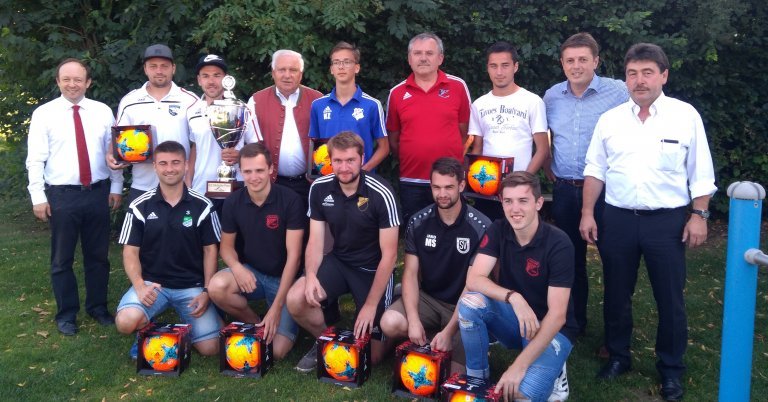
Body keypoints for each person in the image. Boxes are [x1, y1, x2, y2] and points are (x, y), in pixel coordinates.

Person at [580, 43, 717, 401]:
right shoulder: (610, 120)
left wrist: (699, 215)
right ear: (625, 78)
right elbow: (595, 170)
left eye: (647, 72)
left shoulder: (685, 116)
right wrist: (587, 212)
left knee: (669, 297)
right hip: (618, 219)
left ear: (663, 75)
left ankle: (671, 369)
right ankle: (618, 356)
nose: (639, 81)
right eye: (632, 73)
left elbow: (701, 173)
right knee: (615, 293)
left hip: (666, 222)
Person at [458, 172, 577, 402]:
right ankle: (477, 383)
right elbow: (474, 279)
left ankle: (555, 366)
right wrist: (514, 298)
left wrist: (518, 367)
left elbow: (558, 315)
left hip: (551, 328)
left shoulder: (559, 243)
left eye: (523, 201)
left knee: (520, 395)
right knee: (470, 303)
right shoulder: (498, 229)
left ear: (539, 203)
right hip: (517, 319)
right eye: (508, 201)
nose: (515, 209)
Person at [286, 131, 400, 372]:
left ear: (362, 159)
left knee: (373, 356)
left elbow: (390, 256)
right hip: (339, 262)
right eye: (337, 161)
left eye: (350, 160)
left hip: (372, 269)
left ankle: (394, 301)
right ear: (330, 161)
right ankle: (327, 340)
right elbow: (316, 241)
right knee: (296, 299)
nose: (344, 167)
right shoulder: (319, 188)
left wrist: (370, 305)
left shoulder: (382, 193)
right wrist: (311, 276)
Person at [26, 58, 124, 335]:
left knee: (98, 257)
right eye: (66, 79)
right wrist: (38, 197)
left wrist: (116, 187)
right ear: (58, 81)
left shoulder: (103, 112)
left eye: (78, 79)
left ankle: (98, 308)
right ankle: (67, 314)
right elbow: (35, 159)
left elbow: (114, 152)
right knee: (62, 259)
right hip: (62, 196)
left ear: (88, 82)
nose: (72, 84)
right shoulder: (44, 114)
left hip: (97, 193)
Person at [543, 32, 628, 336]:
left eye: (582, 59)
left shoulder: (619, 92)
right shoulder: (552, 96)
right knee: (569, 259)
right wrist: (546, 165)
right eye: (570, 60)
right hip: (565, 190)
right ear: (562, 64)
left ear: (596, 61)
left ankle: (615, 335)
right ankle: (573, 324)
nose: (576, 66)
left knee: (614, 262)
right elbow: (543, 136)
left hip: (607, 191)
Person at [380, 157, 491, 374]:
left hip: (464, 304)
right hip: (429, 299)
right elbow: (410, 274)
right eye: (437, 187)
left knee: (454, 376)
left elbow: (473, 285)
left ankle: (448, 337)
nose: (442, 194)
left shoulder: (481, 226)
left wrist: (450, 332)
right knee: (389, 322)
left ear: (461, 185)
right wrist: (412, 321)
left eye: (449, 187)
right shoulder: (418, 221)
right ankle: (428, 334)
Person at [115, 141, 222, 357]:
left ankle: (180, 331)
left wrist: (207, 292)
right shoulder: (139, 206)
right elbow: (130, 252)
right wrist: (139, 286)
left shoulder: (203, 205)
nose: (170, 169)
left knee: (211, 349)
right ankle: (147, 332)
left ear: (185, 165)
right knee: (126, 322)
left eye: (175, 163)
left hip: (192, 286)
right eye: (163, 163)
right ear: (154, 166)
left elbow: (211, 251)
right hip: (153, 285)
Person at [207, 143, 304, 359]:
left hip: (285, 280)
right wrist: (237, 268)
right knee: (217, 287)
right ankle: (256, 322)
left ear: (271, 169)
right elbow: (226, 247)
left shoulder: (290, 200)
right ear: (240, 172)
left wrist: (277, 308)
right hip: (254, 274)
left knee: (276, 351)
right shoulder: (233, 201)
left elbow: (294, 258)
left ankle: (275, 317)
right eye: (248, 171)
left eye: (259, 170)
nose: (254, 177)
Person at [386, 32, 472, 224]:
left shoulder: (457, 86)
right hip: (412, 179)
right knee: (415, 232)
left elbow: (464, 131)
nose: (423, 58)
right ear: (409, 59)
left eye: (429, 53)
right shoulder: (397, 93)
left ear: (440, 58)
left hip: (450, 179)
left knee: (454, 229)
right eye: (417, 53)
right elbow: (393, 139)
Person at [468, 41, 549, 221]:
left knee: (520, 240)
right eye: (493, 66)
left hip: (520, 189)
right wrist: (473, 182)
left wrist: (523, 181)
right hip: (487, 188)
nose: (499, 72)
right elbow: (477, 149)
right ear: (487, 68)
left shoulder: (532, 101)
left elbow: (542, 149)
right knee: (489, 240)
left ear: (515, 67)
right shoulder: (479, 105)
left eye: (505, 65)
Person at [110, 44, 198, 205]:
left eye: (164, 66)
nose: (159, 71)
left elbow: (199, 143)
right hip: (142, 186)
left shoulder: (190, 100)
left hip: (181, 186)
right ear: (145, 69)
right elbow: (119, 141)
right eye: (153, 66)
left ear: (173, 68)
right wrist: (114, 156)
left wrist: (190, 178)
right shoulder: (130, 100)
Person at [244, 49, 323, 210]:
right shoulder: (255, 101)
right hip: (271, 183)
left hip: (309, 183)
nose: (287, 75)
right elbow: (249, 143)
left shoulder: (318, 100)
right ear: (273, 73)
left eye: (293, 70)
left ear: (300, 74)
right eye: (282, 70)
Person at [309, 41, 389, 172]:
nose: (341, 67)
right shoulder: (318, 105)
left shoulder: (372, 105)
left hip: (361, 181)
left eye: (346, 62)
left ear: (356, 68)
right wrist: (314, 173)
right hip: (327, 178)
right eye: (336, 62)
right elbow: (314, 145)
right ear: (331, 69)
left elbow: (384, 147)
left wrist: (363, 171)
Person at [186, 53, 241, 210]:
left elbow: (257, 147)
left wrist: (240, 156)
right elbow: (195, 147)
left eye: (217, 75)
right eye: (206, 76)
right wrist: (188, 181)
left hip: (235, 189)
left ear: (226, 78)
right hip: (200, 189)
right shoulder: (191, 111)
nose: (211, 81)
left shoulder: (242, 109)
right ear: (199, 80)